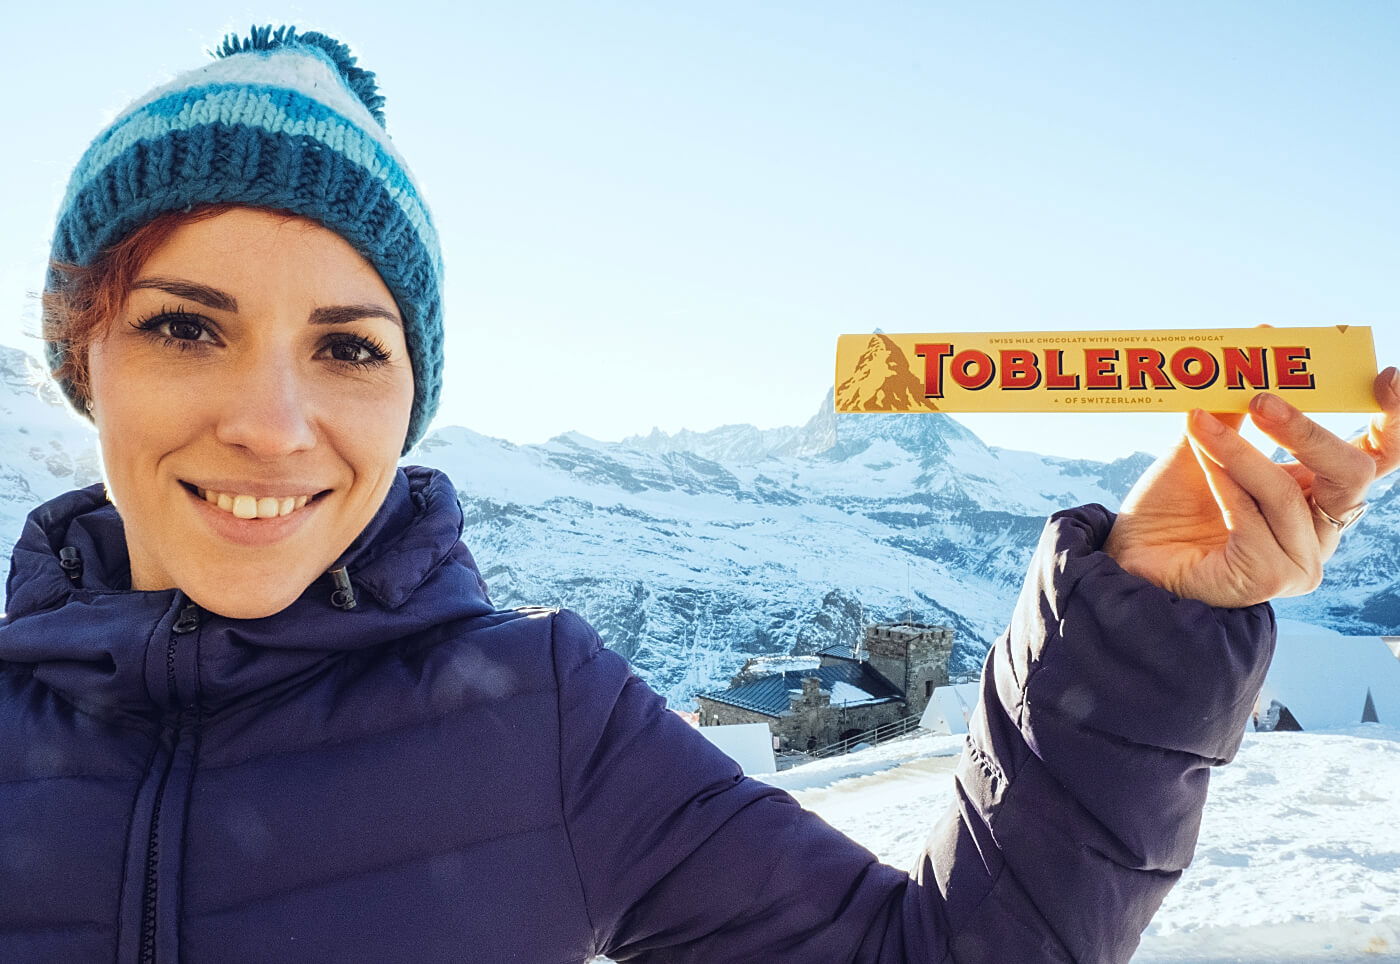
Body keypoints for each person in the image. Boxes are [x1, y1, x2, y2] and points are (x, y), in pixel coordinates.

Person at [1, 25, 1395, 964]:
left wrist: (1143, 618)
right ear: (82, 361)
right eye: (187, 326)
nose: (273, 423)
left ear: (409, 395)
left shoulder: (539, 718)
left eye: (350, 347)